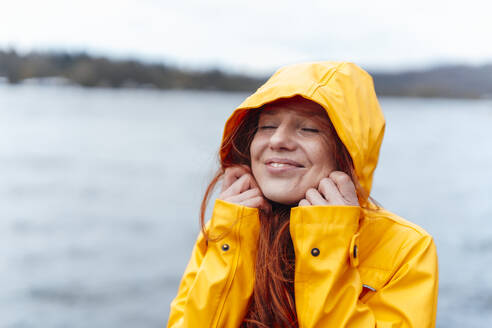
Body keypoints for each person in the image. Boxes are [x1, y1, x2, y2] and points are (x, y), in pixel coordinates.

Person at [167, 61, 439, 327]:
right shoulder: (223, 230)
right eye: (267, 127)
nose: (277, 141)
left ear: (348, 151)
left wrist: (327, 245)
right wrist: (233, 241)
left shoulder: (406, 248)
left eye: (308, 129)